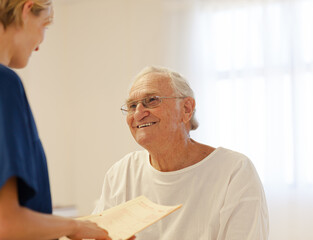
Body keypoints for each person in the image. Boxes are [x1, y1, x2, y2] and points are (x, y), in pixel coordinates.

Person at [93, 66, 269, 240]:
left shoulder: (235, 171)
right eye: (132, 105)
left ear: (186, 109)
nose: (138, 113)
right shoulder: (121, 173)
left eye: (152, 100)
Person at [0, 1, 111, 239]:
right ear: (26, 10)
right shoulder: (4, 84)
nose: (40, 44)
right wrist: (76, 227)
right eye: (45, 25)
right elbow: (6, 225)